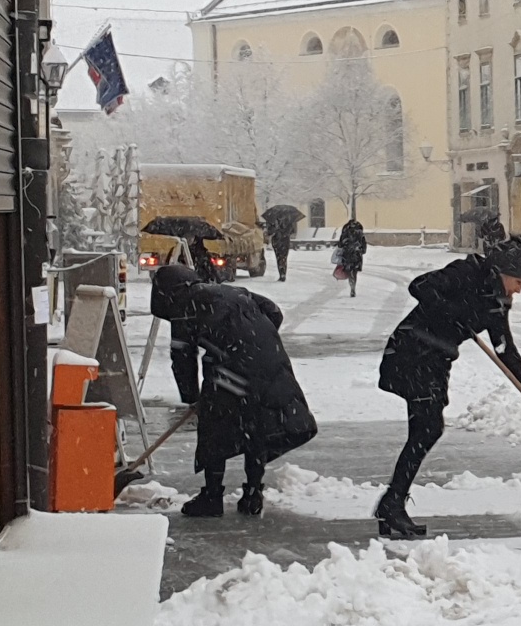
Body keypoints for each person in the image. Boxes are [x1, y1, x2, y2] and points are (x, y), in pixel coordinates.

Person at [373, 237, 521, 537]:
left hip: (435, 360)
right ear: (501, 272)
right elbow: (419, 286)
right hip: (411, 353)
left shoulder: (497, 302)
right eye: (517, 281)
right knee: (427, 428)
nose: (519, 289)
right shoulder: (467, 273)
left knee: (427, 429)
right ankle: (392, 504)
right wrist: (454, 310)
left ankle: (392, 504)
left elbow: (505, 349)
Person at [152, 264, 317, 518]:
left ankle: (212, 496)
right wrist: (254, 340)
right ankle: (253, 493)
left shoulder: (184, 307)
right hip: (270, 362)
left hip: (235, 369)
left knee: (213, 427)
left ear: (166, 294)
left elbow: (182, 358)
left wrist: (194, 399)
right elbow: (273, 311)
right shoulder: (232, 290)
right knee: (255, 426)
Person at [335, 219, 368, 297]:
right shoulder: (360, 232)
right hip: (357, 254)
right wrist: (361, 250)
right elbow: (363, 243)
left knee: (349, 271)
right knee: (355, 271)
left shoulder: (346, 231)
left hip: (348, 254)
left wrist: (344, 247)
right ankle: (353, 286)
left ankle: (351, 285)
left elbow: (340, 244)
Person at [264, 217, 298, 282]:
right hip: (285, 240)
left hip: (277, 241)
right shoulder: (289, 219)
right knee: (284, 257)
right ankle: (283, 273)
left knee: (279, 257)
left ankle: (281, 273)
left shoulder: (271, 218)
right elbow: (292, 231)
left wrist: (275, 229)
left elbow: (269, 232)